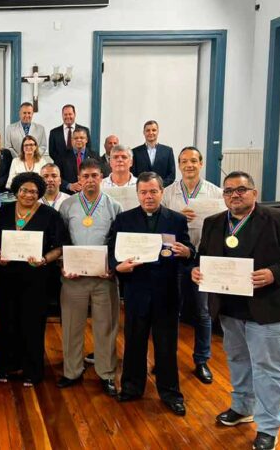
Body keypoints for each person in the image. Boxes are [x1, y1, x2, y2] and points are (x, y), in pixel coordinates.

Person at [191, 171, 280, 450]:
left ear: (254, 193)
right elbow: (203, 256)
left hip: (269, 309)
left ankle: (268, 427)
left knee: (268, 369)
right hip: (230, 309)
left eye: (241, 190)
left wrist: (273, 273)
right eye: (229, 191)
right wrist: (197, 269)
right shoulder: (214, 222)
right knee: (238, 361)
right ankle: (243, 408)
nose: (235, 195)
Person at [108, 172, 194, 416]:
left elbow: (188, 249)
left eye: (153, 191)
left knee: (166, 346)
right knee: (134, 342)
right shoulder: (124, 219)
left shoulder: (176, 220)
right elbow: (113, 250)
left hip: (166, 291)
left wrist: (186, 252)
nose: (148, 196)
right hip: (136, 290)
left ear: (162, 192)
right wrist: (117, 266)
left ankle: (170, 393)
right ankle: (132, 388)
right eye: (143, 192)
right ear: (137, 194)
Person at [0, 172, 68, 386]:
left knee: (32, 324)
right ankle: (7, 367)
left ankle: (32, 371)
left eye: (34, 191)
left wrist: (45, 259)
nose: (28, 194)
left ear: (40, 193)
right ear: (16, 190)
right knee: (8, 321)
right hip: (7, 277)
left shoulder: (50, 215)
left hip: (36, 278)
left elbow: (60, 247)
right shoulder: (3, 212)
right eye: (24, 190)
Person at [58, 159, 121, 397]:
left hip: (104, 277)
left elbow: (118, 242)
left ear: (102, 178)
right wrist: (63, 265)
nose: (90, 180)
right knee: (72, 326)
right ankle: (72, 371)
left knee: (106, 327)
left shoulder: (114, 206)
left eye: (95, 176)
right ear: (79, 179)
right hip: (73, 277)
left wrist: (113, 267)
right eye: (86, 176)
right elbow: (61, 239)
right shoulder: (68, 206)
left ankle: (106, 373)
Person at [161, 146, 224, 384]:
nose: (189, 165)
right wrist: (176, 215)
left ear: (201, 163)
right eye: (184, 161)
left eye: (194, 161)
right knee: (169, 311)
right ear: (179, 165)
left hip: (201, 259)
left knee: (202, 312)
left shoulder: (216, 193)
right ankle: (166, 359)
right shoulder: (167, 193)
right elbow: (160, 223)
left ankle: (201, 360)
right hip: (174, 258)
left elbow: (221, 226)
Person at [57, 126, 107, 194]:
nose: (79, 140)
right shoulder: (62, 156)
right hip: (69, 194)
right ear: (72, 140)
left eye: (81, 138)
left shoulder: (94, 155)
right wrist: (69, 186)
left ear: (86, 140)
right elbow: (57, 176)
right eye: (76, 138)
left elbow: (102, 174)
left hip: (91, 193)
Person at [131, 120, 176, 187]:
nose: (151, 132)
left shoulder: (168, 151)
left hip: (162, 192)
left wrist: (159, 186)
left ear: (158, 132)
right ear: (144, 132)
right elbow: (133, 174)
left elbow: (171, 175)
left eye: (154, 130)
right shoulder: (135, 152)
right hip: (142, 191)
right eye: (148, 130)